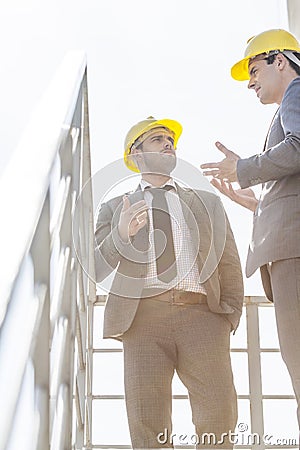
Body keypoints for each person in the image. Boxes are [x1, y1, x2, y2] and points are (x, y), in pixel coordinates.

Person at [95, 116, 244, 449]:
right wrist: (121, 234)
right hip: (142, 322)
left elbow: (229, 262)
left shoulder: (207, 203)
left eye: (170, 140)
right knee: (148, 423)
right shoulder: (113, 209)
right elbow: (97, 266)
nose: (168, 144)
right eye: (158, 139)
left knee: (219, 414)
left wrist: (228, 314)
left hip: (203, 318)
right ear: (135, 156)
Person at [200, 28, 300, 435]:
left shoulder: (296, 94)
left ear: (281, 61)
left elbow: (297, 146)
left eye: (255, 69)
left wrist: (244, 168)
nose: (250, 82)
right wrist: (259, 206)